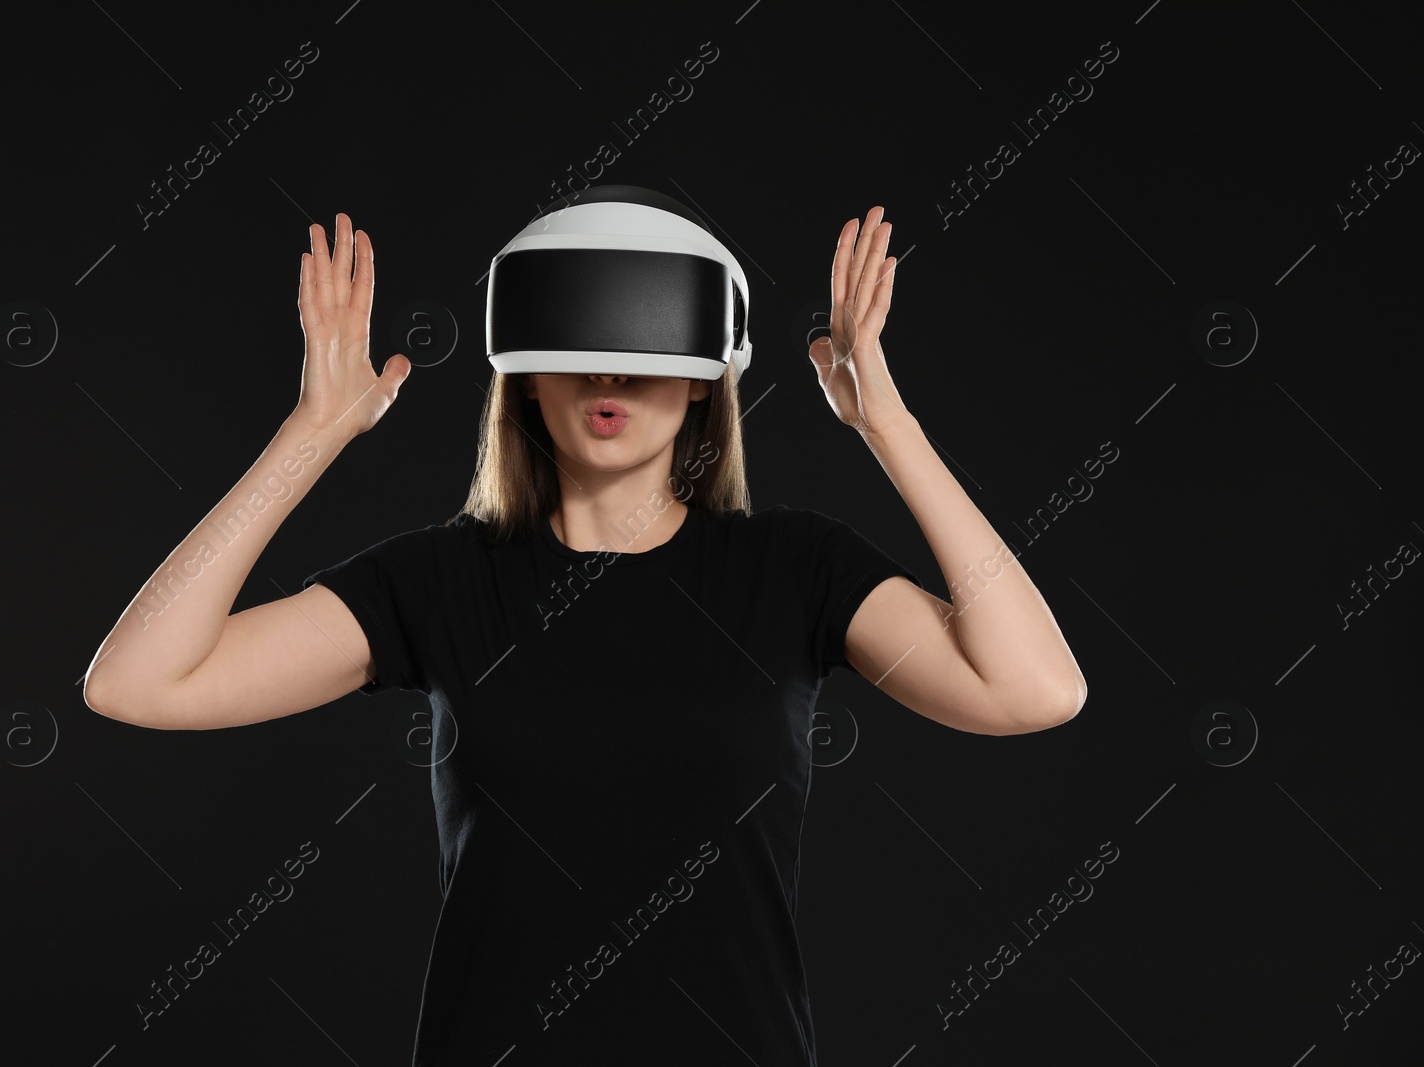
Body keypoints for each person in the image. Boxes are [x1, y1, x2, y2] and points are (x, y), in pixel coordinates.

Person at [84, 205, 1087, 1065]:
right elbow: (140, 681)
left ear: (702, 377)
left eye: (646, 345)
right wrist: (312, 431)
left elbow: (1031, 689)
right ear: (522, 373)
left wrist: (886, 424)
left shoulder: (792, 570)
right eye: (576, 344)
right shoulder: (442, 579)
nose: (608, 373)